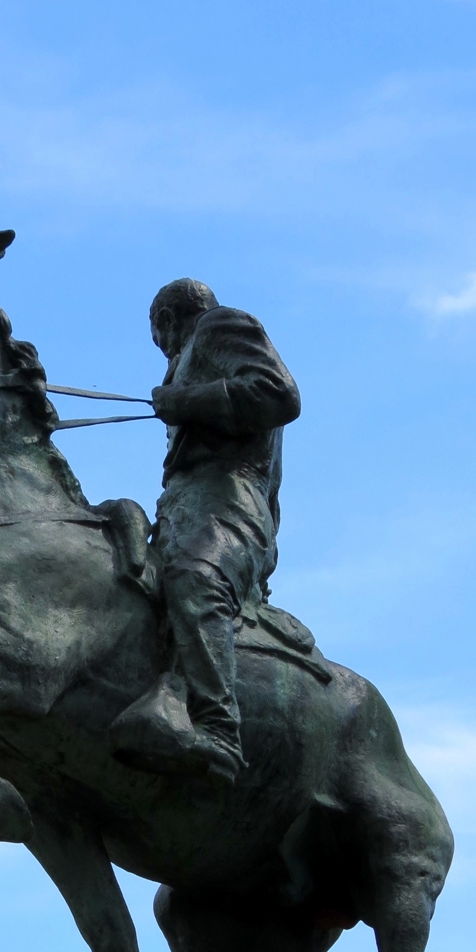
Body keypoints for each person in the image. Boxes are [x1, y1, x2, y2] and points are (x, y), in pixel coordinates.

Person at [109, 278, 300, 783]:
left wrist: (187, 400)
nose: (165, 352)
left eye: (161, 338)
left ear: (168, 320)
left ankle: (218, 727)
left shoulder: (220, 325)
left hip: (231, 500)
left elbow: (279, 395)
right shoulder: (188, 355)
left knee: (196, 579)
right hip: (187, 504)